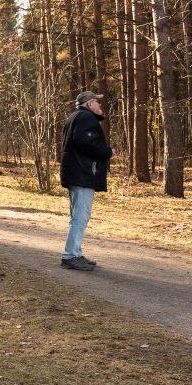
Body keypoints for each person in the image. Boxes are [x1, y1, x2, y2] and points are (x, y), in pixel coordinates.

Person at [58, 92, 113, 272]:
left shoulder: (76, 117)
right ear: (89, 104)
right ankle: (70, 256)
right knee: (80, 217)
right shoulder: (86, 117)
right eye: (97, 101)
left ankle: (75, 252)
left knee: (78, 217)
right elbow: (85, 141)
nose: (100, 105)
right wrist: (107, 151)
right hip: (82, 174)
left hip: (76, 173)